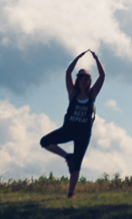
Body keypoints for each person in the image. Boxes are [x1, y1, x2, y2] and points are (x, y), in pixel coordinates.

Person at [40, 49, 105, 198]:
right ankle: (67, 156)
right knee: (44, 141)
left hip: (83, 133)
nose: (83, 80)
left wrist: (96, 58)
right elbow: (68, 73)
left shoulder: (92, 94)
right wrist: (78, 57)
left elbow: (102, 76)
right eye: (80, 78)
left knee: (77, 164)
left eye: (86, 78)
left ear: (89, 81)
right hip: (69, 129)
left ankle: (70, 194)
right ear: (78, 80)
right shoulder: (72, 93)